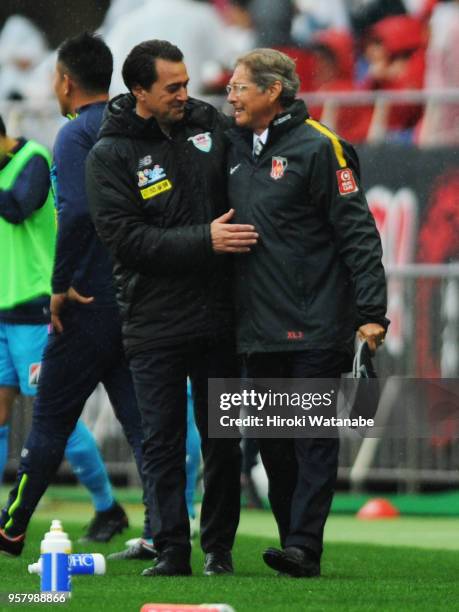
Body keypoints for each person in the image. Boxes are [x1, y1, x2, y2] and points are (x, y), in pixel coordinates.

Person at [86, 39, 257, 577]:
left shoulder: (208, 125)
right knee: (162, 445)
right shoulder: (109, 155)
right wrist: (204, 240)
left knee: (224, 442)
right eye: (173, 87)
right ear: (139, 91)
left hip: (217, 316)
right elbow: (126, 240)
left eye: (186, 82)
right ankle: (172, 551)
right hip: (153, 320)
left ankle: (220, 550)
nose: (187, 94)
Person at [226, 48, 388, 577]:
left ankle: (304, 547)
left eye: (240, 86)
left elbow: (358, 234)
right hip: (257, 325)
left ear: (273, 91)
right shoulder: (232, 147)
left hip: (316, 321)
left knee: (311, 436)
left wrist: (371, 312)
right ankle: (290, 540)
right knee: (273, 444)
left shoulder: (323, 148)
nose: (230, 95)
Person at [0, 32, 151, 557]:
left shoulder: (69, 138)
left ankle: (13, 526)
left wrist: (60, 285)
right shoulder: (135, 128)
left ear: (65, 81)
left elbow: (80, 215)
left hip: (82, 301)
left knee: (49, 422)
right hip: (133, 300)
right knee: (142, 422)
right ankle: (164, 533)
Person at [0, 113, 129, 542]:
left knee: (55, 418)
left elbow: (19, 208)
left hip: (38, 308)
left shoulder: (34, 159)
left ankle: (107, 506)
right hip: (2, 310)